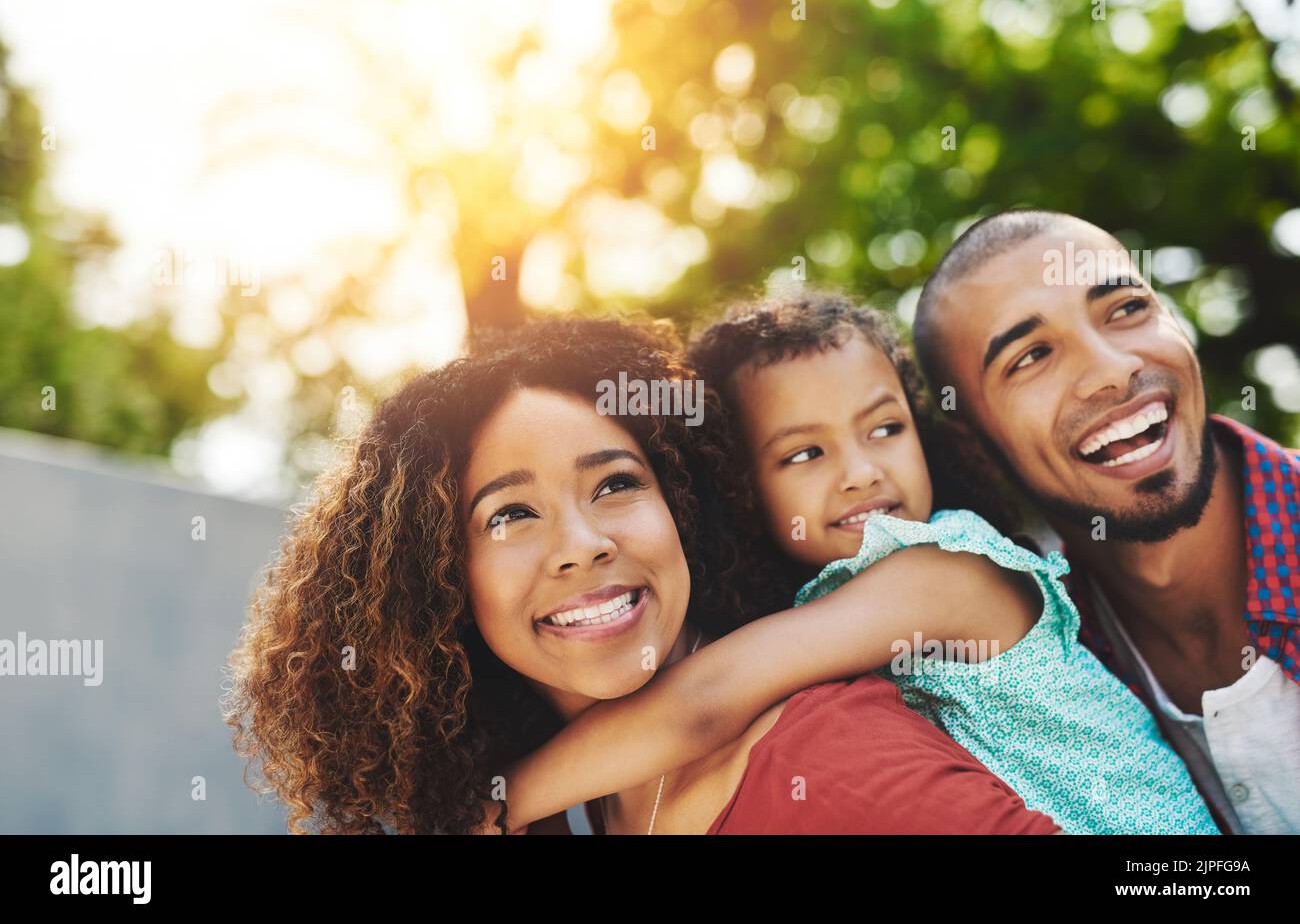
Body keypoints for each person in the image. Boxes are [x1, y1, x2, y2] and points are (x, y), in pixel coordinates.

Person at [222, 316, 1059, 834]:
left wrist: (496, 802)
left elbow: (702, 704)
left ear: (687, 507)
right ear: (436, 581)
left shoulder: (826, 754)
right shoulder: (607, 795)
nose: (581, 543)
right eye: (511, 513)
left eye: (616, 483)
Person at [494, 293, 1215, 835]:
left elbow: (703, 701)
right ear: (741, 488)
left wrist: (495, 803)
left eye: (885, 427)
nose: (863, 470)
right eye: (805, 453)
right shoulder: (830, 598)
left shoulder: (944, 565)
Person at [910, 208, 1300, 834]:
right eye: (1032, 356)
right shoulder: (1041, 684)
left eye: (1125, 309)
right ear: (974, 444)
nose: (1113, 369)